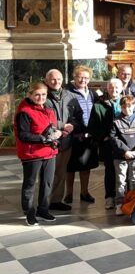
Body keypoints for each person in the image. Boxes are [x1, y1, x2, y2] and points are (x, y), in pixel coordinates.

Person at [16, 82, 60, 225]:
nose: (41, 97)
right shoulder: (24, 112)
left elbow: (51, 127)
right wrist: (43, 138)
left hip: (49, 152)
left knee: (47, 183)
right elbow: (23, 135)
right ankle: (29, 213)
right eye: (37, 95)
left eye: (43, 94)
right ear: (30, 95)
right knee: (30, 184)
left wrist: (57, 133)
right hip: (32, 154)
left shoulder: (48, 109)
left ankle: (43, 209)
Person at [44, 69, 80, 211]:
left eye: (59, 79)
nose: (56, 82)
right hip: (49, 142)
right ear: (46, 81)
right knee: (47, 174)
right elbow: (42, 119)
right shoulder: (42, 96)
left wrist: (71, 126)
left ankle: (56, 200)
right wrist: (62, 126)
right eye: (53, 79)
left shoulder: (70, 96)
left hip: (65, 141)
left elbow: (77, 116)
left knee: (60, 172)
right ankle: (44, 201)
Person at [66, 65, 100, 207]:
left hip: (89, 136)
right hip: (73, 136)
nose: (83, 80)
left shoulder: (92, 94)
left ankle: (84, 192)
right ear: (74, 77)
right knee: (70, 167)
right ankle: (68, 193)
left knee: (86, 165)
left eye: (86, 78)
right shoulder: (68, 92)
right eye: (80, 77)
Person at [110, 96, 135, 215]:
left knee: (134, 179)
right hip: (120, 156)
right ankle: (120, 204)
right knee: (120, 181)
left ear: (134, 106)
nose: (127, 109)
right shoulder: (116, 121)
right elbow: (113, 138)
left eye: (130, 106)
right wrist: (125, 151)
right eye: (124, 107)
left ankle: (132, 202)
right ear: (121, 107)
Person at [90, 78, 124, 210]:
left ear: (121, 89)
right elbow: (93, 126)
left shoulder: (126, 102)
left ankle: (124, 197)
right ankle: (109, 197)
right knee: (110, 170)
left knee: (124, 171)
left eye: (117, 87)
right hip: (107, 143)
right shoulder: (99, 105)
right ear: (107, 89)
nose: (114, 90)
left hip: (123, 143)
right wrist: (102, 138)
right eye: (111, 87)